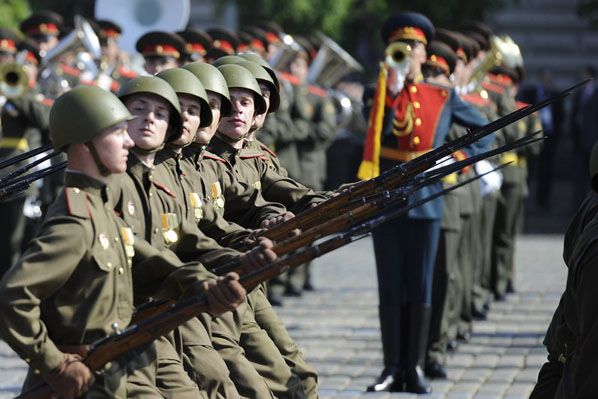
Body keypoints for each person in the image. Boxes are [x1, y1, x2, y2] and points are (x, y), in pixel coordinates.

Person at [0, 85, 246, 398]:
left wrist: (202, 281)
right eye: (117, 133)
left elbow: (144, 254)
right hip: (82, 377)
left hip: (116, 367)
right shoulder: (75, 220)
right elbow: (12, 297)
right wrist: (55, 365)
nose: (129, 139)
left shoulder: (98, 207)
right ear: (84, 142)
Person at [359, 12, 488, 394]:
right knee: (390, 286)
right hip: (387, 199)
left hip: (428, 200)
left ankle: (413, 366)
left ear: (424, 53)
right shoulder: (378, 93)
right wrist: (391, 90)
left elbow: (482, 131)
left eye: (412, 47)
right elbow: (375, 136)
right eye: (398, 47)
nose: (406, 53)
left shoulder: (441, 94)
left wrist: (457, 161)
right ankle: (390, 367)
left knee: (421, 285)